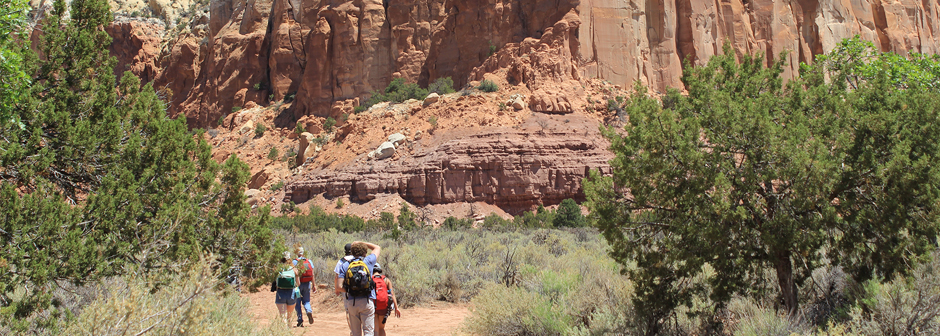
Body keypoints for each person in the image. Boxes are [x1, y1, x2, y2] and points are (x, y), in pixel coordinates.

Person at [337, 241, 381, 336]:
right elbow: (377, 248)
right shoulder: (368, 261)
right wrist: (361, 242)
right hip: (366, 300)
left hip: (352, 302)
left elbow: (339, 287)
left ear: (352, 252)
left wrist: (351, 290)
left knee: (356, 333)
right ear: (364, 252)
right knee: (368, 332)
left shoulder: (345, 265)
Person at [371, 263, 401, 336]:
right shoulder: (386, 280)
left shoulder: (370, 279)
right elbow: (392, 295)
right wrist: (396, 308)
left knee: (375, 329)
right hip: (383, 307)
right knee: (381, 328)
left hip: (373, 306)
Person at [293, 247, 317, 327]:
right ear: (303, 253)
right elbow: (312, 274)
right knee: (306, 301)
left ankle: (300, 320)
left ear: (297, 253)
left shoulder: (295, 262)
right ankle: (308, 311)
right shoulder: (308, 261)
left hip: (298, 286)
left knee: (297, 303)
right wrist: (314, 285)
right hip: (307, 284)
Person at [274, 251, 299, 326]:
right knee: (289, 317)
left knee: (283, 317)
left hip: (280, 293)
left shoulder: (278, 269)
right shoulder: (294, 269)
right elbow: (298, 284)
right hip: (291, 293)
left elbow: (275, 282)